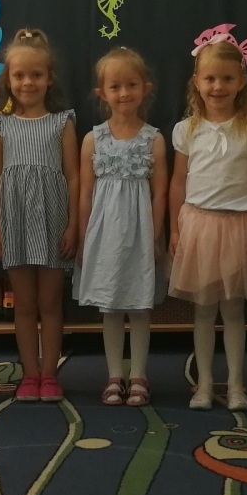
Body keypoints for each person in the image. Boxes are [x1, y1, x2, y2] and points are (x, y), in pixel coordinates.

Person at [169, 38, 247, 411]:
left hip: (238, 226)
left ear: (241, 81)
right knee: (202, 310)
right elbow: (178, 182)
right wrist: (175, 229)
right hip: (198, 225)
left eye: (227, 78)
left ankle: (236, 385)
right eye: (210, 78)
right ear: (197, 82)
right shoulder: (187, 130)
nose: (218, 86)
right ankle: (203, 384)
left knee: (233, 311)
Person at [0, 28, 79, 402]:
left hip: (53, 222)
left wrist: (73, 224)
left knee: (51, 303)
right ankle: (29, 374)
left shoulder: (62, 122)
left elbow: (74, 176)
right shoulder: (0, 126)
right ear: (8, 79)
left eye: (36, 74)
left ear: (49, 77)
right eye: (20, 75)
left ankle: (50, 374)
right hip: (15, 223)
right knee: (24, 304)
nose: (28, 82)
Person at [74, 47, 168, 407]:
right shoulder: (93, 139)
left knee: (139, 305)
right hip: (105, 233)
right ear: (102, 93)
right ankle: (115, 375)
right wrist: (84, 237)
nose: (124, 93)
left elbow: (160, 193)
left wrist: (155, 237)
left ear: (146, 89)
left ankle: (139, 375)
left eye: (131, 85)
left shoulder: (153, 139)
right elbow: (85, 193)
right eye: (115, 86)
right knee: (110, 306)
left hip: (140, 232)